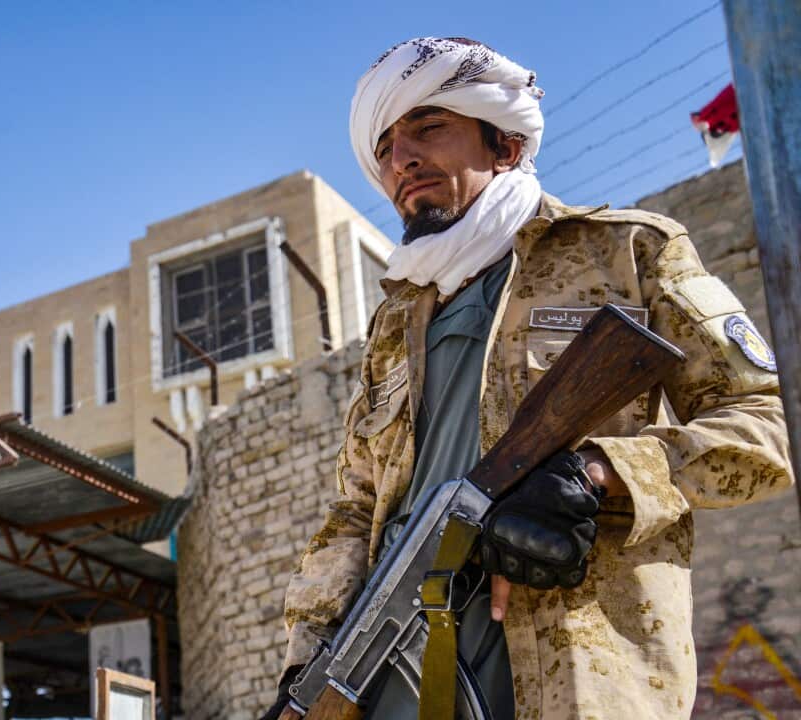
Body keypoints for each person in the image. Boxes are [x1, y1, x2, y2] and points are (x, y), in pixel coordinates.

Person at [261, 37, 793, 720]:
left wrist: (600, 476)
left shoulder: (624, 253)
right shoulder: (396, 323)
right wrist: (306, 665)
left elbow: (771, 423)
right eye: (386, 147)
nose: (402, 160)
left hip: (573, 677)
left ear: (506, 146)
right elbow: (355, 509)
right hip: (389, 680)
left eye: (429, 128)